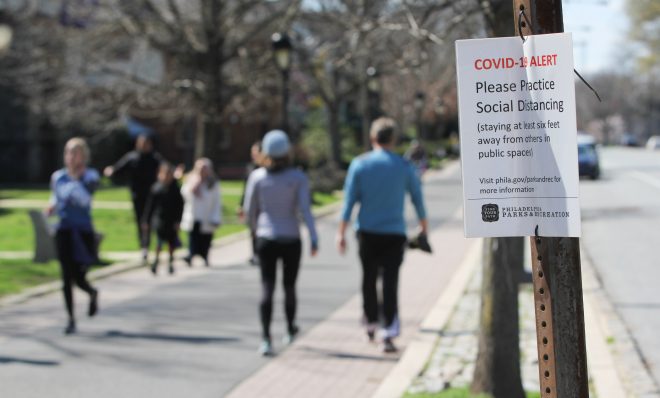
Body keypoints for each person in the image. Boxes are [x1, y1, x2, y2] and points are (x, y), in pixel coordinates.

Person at [336, 117, 428, 353]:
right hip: (395, 233)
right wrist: (423, 227)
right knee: (390, 281)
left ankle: (370, 322)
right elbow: (417, 199)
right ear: (394, 139)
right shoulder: (404, 166)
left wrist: (341, 233)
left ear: (372, 138)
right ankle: (388, 331)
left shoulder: (359, 165)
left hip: (367, 232)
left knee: (368, 278)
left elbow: (348, 202)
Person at [243, 130, 319, 356]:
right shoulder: (297, 178)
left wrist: (255, 233)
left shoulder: (257, 177)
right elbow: (305, 210)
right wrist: (314, 237)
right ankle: (289, 328)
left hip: (266, 238)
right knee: (289, 286)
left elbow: (250, 211)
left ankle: (266, 338)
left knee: (267, 287)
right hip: (291, 237)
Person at [47, 137, 100, 335]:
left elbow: (85, 200)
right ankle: (70, 318)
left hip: (83, 231)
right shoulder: (58, 177)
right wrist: (51, 206)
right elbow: (55, 196)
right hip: (64, 229)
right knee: (65, 276)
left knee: (79, 277)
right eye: (69, 152)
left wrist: (76, 179)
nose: (71, 156)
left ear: (83, 155)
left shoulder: (90, 177)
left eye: (75, 152)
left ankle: (92, 292)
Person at [104, 134, 169, 262]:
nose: (144, 146)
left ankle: (151, 243)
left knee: (150, 220)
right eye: (142, 143)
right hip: (137, 195)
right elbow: (118, 169)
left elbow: (165, 168)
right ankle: (143, 246)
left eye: (147, 143)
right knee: (141, 221)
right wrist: (110, 171)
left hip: (151, 195)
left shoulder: (154, 158)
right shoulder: (132, 157)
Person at [142, 162, 184, 275]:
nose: (166, 177)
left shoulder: (175, 189)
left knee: (171, 243)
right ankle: (156, 262)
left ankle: (171, 262)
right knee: (159, 242)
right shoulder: (156, 188)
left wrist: (178, 221)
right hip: (159, 219)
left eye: (169, 174)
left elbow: (180, 206)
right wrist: (146, 221)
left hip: (172, 219)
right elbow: (150, 206)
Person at [180, 158, 222, 267]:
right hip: (193, 215)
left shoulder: (212, 183)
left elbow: (217, 201)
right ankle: (191, 255)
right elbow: (184, 195)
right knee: (193, 238)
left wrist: (216, 217)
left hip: (207, 216)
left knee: (205, 239)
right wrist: (193, 186)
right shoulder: (191, 180)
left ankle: (205, 257)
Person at [238, 140, 262, 266]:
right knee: (252, 229)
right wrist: (241, 205)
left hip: (262, 204)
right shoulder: (250, 168)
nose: (253, 155)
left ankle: (261, 252)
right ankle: (255, 253)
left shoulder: (265, 169)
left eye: (256, 152)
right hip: (252, 203)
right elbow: (246, 188)